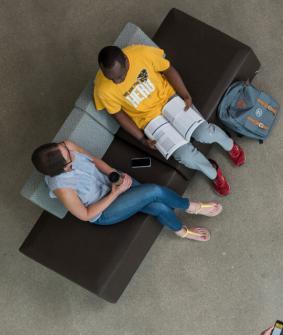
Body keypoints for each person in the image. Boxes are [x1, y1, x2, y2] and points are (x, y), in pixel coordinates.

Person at [93, 45, 246, 196]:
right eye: (111, 78)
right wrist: (141, 139)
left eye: (120, 76)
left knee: (205, 133)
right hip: (149, 121)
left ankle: (231, 146)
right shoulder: (101, 89)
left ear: (126, 61)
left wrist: (185, 95)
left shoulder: (140, 53)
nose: (118, 81)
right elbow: (118, 115)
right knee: (185, 156)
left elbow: (167, 68)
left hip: (169, 100)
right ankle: (213, 173)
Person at [32, 140, 220, 241]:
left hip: (113, 183)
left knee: (160, 207)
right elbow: (86, 214)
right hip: (104, 210)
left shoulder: (68, 146)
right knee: (154, 190)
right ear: (65, 168)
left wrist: (115, 174)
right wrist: (116, 193)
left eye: (64, 148)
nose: (72, 152)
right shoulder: (62, 188)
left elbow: (94, 160)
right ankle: (190, 206)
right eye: (69, 156)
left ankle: (181, 231)